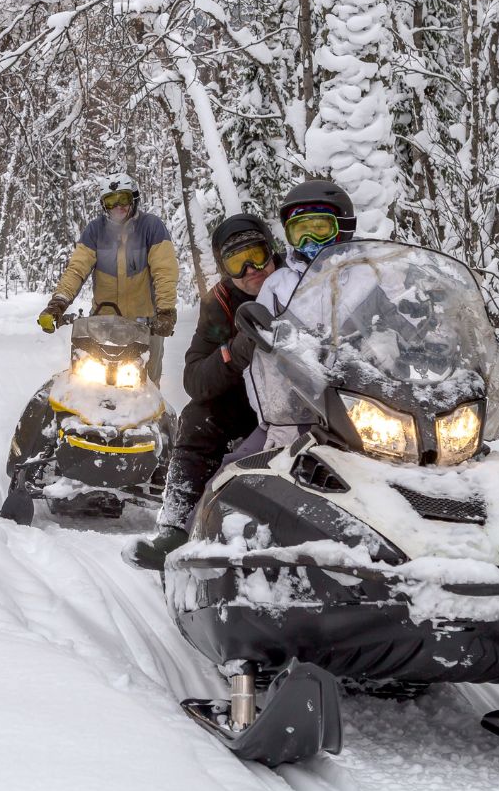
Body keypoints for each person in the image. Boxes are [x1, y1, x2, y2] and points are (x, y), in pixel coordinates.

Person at [125, 213, 281, 570]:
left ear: (272, 250)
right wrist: (235, 351)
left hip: (310, 394)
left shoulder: (299, 282)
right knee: (197, 417)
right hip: (248, 402)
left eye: (257, 254)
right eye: (237, 263)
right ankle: (175, 527)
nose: (251, 269)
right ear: (225, 270)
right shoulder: (220, 303)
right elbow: (195, 378)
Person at [246, 179, 356, 450]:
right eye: (300, 231)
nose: (310, 240)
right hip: (297, 413)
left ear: (341, 227)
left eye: (320, 228)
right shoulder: (277, 286)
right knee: (235, 469)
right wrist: (279, 412)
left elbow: (395, 326)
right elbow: (257, 364)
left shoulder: (367, 275)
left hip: (362, 406)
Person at [37, 174, 179, 381]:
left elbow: (164, 271)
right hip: (103, 326)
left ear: (134, 199)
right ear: (104, 206)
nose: (118, 207)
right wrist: (57, 305)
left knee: (147, 386)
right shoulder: (95, 231)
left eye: (123, 199)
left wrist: (165, 312)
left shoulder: (151, 227)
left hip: (147, 327)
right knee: (86, 383)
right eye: (111, 202)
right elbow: (76, 270)